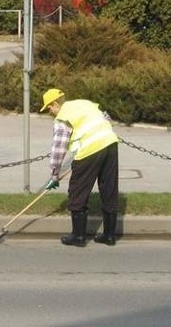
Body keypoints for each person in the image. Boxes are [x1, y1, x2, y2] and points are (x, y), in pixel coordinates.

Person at [40, 88, 120, 247]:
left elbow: (59, 148)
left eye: (49, 107)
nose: (49, 111)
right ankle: (110, 236)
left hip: (90, 150)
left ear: (55, 104)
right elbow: (108, 119)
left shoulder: (62, 117)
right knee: (109, 189)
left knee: (77, 190)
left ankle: (78, 237)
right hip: (110, 144)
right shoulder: (84, 103)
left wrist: (54, 174)